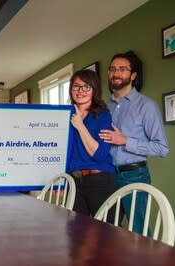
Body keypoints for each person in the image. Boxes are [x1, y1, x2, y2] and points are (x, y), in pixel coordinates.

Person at [99, 51, 169, 234]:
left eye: (122, 69)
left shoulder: (147, 106)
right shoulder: (105, 107)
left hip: (134, 175)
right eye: (113, 69)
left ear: (133, 75)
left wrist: (125, 141)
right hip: (107, 175)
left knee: (138, 232)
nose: (116, 73)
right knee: (108, 231)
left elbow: (162, 148)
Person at [67, 69, 117, 219]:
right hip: (73, 182)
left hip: (99, 181)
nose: (80, 90)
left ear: (94, 89)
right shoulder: (64, 114)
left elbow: (99, 154)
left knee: (105, 234)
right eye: (76, 86)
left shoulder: (103, 116)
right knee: (75, 234)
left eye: (86, 86)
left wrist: (80, 126)